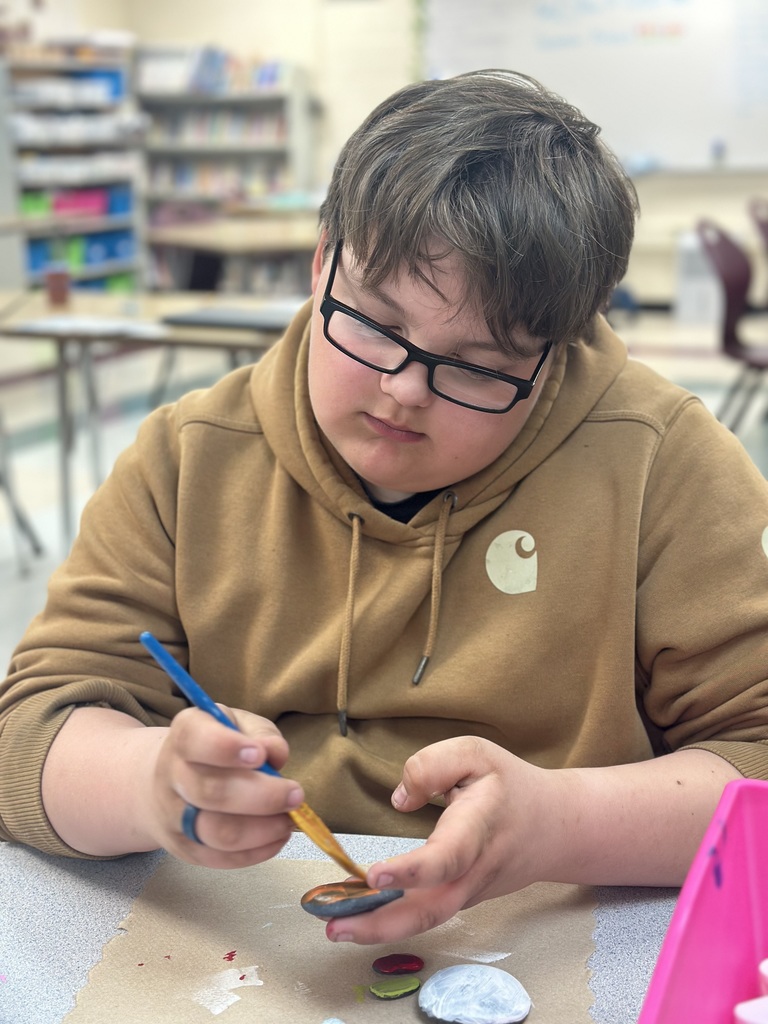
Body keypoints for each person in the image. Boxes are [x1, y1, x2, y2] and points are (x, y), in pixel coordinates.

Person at [1, 69, 766, 948]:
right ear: (323, 260)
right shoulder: (190, 456)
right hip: (232, 950)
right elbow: (30, 731)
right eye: (371, 321)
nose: (402, 391)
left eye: (476, 365)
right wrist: (150, 784)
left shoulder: (662, 462)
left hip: (560, 939)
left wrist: (560, 821)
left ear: (555, 352)